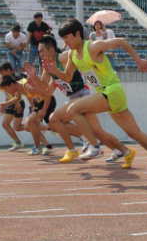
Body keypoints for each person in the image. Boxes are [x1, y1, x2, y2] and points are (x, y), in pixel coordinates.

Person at [43, 19, 147, 178]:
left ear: (77, 34)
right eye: (63, 39)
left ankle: (94, 146)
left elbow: (121, 41)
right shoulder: (72, 55)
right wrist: (55, 70)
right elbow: (68, 77)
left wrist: (138, 61)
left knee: (73, 110)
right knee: (135, 133)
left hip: (112, 91)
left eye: (67, 38)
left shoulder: (92, 46)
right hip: (107, 94)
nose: (66, 42)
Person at [28, 35, 133, 164]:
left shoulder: (63, 57)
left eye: (41, 50)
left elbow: (77, 52)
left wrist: (87, 47)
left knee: (54, 119)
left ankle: (75, 147)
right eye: (38, 51)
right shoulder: (46, 67)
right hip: (73, 98)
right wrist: (34, 78)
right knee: (97, 131)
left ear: (51, 50)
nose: (39, 54)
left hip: (82, 95)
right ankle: (123, 150)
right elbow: (45, 87)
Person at [0, 75, 56, 156]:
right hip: (40, 104)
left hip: (47, 102)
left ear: (11, 85)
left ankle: (39, 146)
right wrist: (6, 104)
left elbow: (47, 95)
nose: (6, 91)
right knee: (28, 126)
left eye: (6, 89)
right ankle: (47, 141)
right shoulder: (18, 88)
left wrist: (43, 110)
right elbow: (17, 98)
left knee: (30, 122)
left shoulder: (27, 87)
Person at [0, 63, 25, 151]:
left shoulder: (1, 79)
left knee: (18, 127)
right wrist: (5, 104)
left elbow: (13, 89)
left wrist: (16, 103)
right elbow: (7, 93)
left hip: (17, 103)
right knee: (5, 124)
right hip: (11, 103)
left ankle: (37, 127)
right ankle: (18, 142)